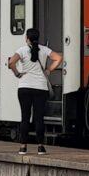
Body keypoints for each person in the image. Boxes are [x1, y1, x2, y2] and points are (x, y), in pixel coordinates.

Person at [4, 26, 61, 155]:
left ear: (27, 38)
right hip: (40, 88)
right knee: (39, 118)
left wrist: (17, 74)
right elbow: (58, 58)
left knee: (25, 117)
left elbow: (11, 63)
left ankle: (23, 147)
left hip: (24, 88)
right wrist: (49, 70)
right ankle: (40, 147)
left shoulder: (22, 50)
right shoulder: (44, 50)